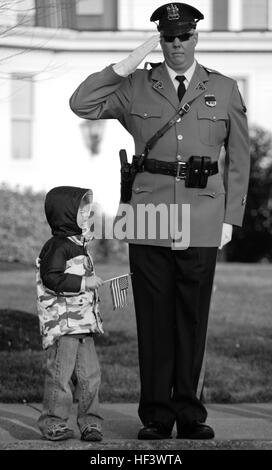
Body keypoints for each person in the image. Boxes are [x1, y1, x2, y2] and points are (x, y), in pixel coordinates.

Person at [69, 3, 250, 440]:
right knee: (153, 318)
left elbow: (240, 158)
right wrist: (127, 62)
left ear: (196, 38)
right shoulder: (135, 86)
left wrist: (230, 218)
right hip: (148, 218)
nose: (177, 45)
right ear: (159, 40)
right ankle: (155, 415)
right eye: (168, 38)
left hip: (203, 219)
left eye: (184, 36)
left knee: (191, 317)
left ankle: (189, 413)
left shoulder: (223, 89)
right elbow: (82, 103)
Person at [36, 186, 104, 441]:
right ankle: (53, 421)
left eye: (88, 207)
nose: (87, 212)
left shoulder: (79, 244)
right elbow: (51, 278)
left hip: (83, 325)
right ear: (65, 214)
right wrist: (84, 283)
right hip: (64, 326)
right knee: (60, 376)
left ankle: (90, 422)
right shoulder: (57, 247)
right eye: (81, 208)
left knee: (90, 377)